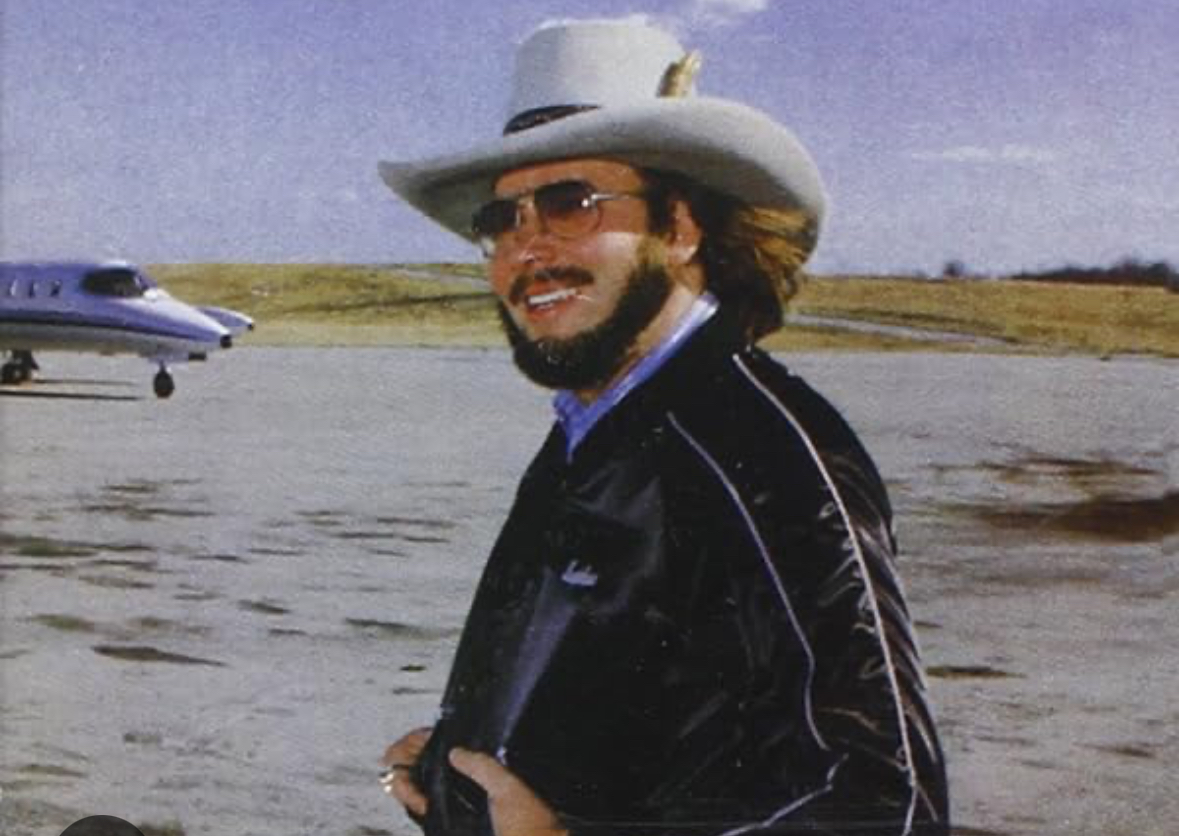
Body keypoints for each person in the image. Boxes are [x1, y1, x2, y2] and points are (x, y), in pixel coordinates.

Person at [377, 19, 949, 836]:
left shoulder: (756, 449)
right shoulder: (594, 427)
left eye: (569, 205)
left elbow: (883, 804)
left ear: (678, 228)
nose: (525, 249)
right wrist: (461, 773)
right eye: (501, 220)